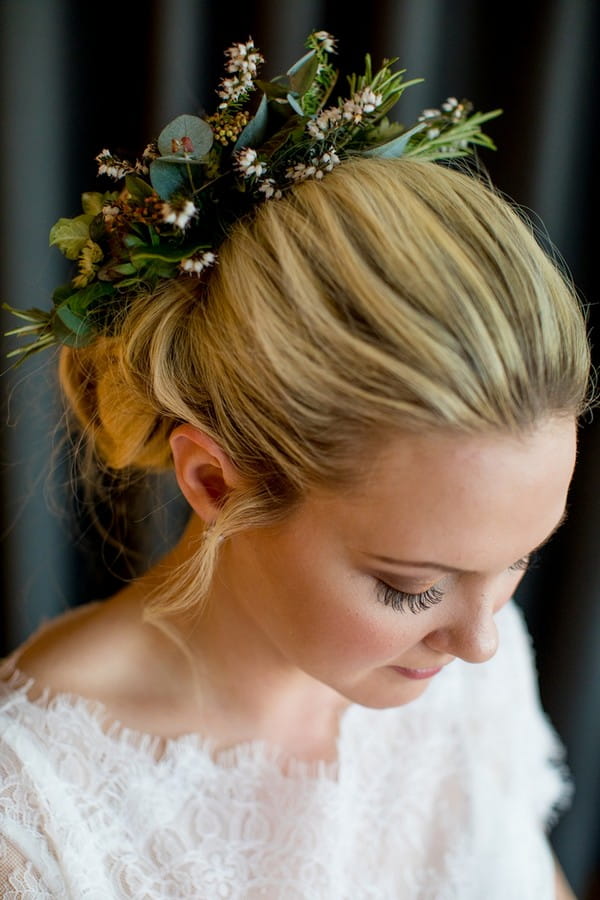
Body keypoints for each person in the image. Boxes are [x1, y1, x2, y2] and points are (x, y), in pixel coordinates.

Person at [0, 31, 590, 899]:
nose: (482, 641)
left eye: (519, 559)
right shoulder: (38, 812)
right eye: (409, 588)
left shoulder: (467, 666)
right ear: (216, 483)